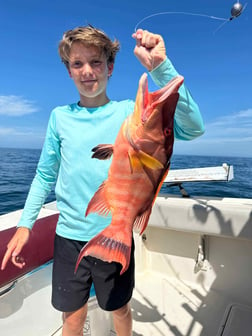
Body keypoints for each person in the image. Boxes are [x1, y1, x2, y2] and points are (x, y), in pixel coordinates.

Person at [1, 25, 204, 336]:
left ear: (110, 67)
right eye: (77, 63)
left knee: (118, 308)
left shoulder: (127, 112)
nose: (87, 71)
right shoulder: (59, 117)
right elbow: (44, 174)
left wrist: (161, 68)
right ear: (68, 70)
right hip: (69, 237)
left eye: (96, 62)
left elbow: (192, 128)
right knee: (72, 316)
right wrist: (25, 224)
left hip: (115, 235)